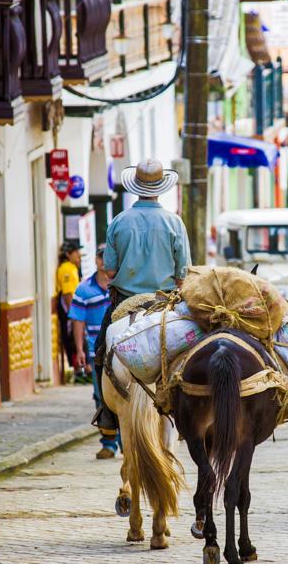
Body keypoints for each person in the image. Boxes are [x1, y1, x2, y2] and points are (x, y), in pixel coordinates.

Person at [93, 159, 191, 431]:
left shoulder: (119, 222)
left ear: (135, 187)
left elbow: (110, 271)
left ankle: (106, 413)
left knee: (101, 350)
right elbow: (183, 275)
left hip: (125, 302)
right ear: (160, 189)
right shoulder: (174, 222)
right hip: (166, 303)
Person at [68, 245, 121, 459]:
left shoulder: (123, 286)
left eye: (108, 257)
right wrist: (79, 350)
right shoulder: (83, 289)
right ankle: (109, 443)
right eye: (101, 257)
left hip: (122, 348)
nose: (104, 261)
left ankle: (126, 441)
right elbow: (77, 321)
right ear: (96, 260)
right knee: (101, 396)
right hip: (95, 350)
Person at [55, 242, 84, 382]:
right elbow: (67, 295)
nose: (79, 256)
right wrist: (74, 315)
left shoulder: (72, 268)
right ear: (68, 254)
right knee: (72, 338)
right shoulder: (67, 269)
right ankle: (78, 370)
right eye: (76, 253)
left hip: (72, 308)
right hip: (68, 309)